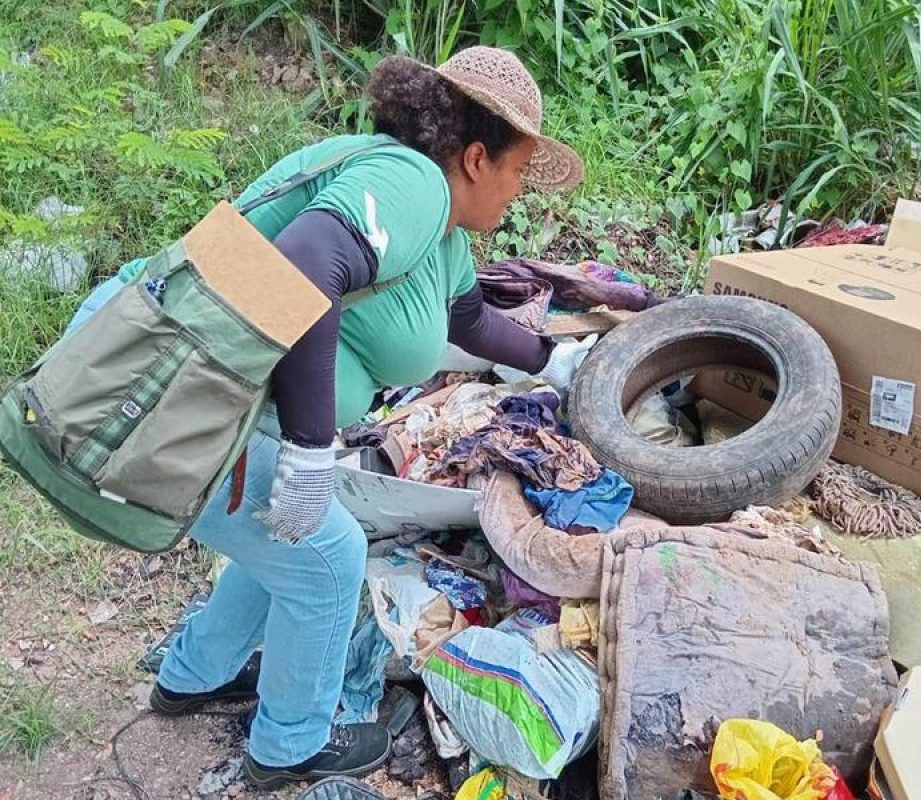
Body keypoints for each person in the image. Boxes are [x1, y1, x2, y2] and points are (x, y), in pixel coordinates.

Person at [68, 46, 589, 789]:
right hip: (166, 392)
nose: (519, 195)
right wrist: (313, 451)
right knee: (328, 556)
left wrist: (554, 361)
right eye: (517, 174)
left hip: (206, 393)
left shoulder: (435, 225)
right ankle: (289, 746)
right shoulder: (408, 181)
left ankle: (195, 675)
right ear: (477, 158)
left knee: (287, 536)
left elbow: (469, 319)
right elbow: (308, 259)